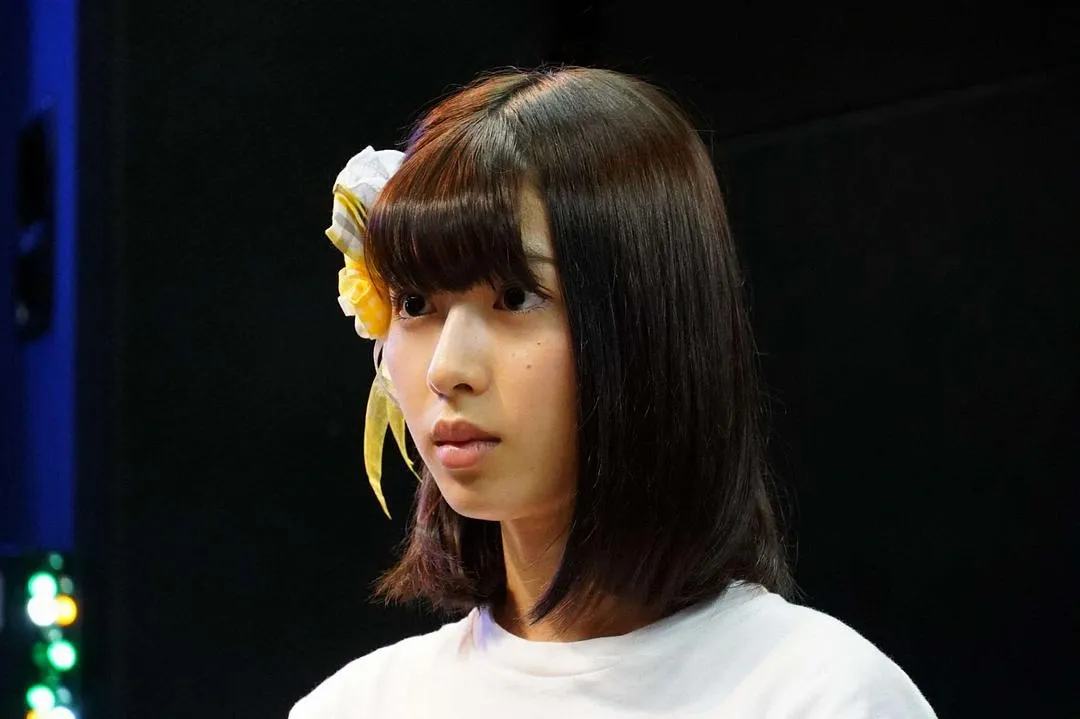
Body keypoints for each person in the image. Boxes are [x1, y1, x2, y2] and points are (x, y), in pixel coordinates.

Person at [291, 66, 937, 718]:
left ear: (650, 318)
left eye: (514, 297)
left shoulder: (822, 697)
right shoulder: (357, 706)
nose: (447, 367)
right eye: (414, 303)